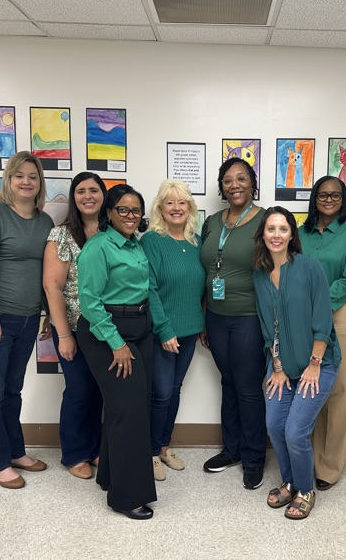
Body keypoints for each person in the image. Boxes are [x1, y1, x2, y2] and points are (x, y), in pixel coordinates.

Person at [0, 151, 54, 489]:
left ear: (39, 183)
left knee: (12, 390)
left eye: (32, 176)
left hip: (28, 318)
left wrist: (47, 312)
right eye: (19, 175)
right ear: (9, 179)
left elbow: (47, 273)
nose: (26, 181)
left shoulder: (45, 222)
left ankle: (15, 451)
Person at [252, 206, 340, 520]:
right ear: (262, 234)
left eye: (283, 229)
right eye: (270, 229)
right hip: (282, 367)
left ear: (292, 234)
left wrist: (314, 364)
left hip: (319, 364)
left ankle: (305, 489)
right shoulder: (260, 275)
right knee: (274, 426)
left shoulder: (309, 267)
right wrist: (276, 366)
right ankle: (289, 481)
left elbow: (322, 321)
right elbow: (268, 327)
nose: (277, 235)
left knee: (294, 433)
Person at [76, 185, 156, 520]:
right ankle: (126, 497)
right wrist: (117, 344)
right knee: (130, 413)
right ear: (108, 212)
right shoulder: (98, 247)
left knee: (127, 408)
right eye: (122, 209)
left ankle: (109, 475)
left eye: (135, 210)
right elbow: (90, 301)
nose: (130, 216)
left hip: (139, 329)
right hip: (107, 334)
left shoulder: (136, 243)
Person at [199, 158, 267, 490]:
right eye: (228, 180)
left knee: (249, 388)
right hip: (215, 316)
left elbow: (281, 268)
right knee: (228, 382)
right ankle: (232, 450)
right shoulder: (212, 222)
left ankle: (254, 457)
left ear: (252, 183)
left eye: (241, 178)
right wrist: (202, 316)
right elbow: (205, 272)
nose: (235, 184)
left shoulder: (267, 220)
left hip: (249, 317)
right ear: (221, 187)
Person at [299, 176, 346, 492]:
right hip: (305, 316)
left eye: (335, 195)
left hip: (342, 315)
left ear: (344, 199)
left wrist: (318, 304)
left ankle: (329, 466)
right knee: (311, 386)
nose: (328, 199)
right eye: (322, 194)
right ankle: (308, 459)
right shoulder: (301, 233)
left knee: (339, 389)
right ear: (314, 198)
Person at [42, 172, 105, 480]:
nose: (88, 196)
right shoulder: (61, 235)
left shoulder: (112, 232)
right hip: (74, 327)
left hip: (106, 328)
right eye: (81, 191)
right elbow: (52, 287)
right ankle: (74, 453)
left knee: (99, 390)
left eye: (94, 190)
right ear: (74, 197)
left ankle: (94, 448)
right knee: (79, 389)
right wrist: (64, 335)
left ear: (104, 196)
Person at [141, 180, 205, 481]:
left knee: (175, 390)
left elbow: (202, 287)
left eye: (182, 202)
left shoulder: (196, 242)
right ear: (160, 208)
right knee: (161, 394)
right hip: (163, 333)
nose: (177, 208)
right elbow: (150, 289)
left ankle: (165, 447)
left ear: (189, 207)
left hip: (191, 329)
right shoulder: (152, 241)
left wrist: (203, 324)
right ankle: (151, 452)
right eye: (170, 203)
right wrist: (164, 330)